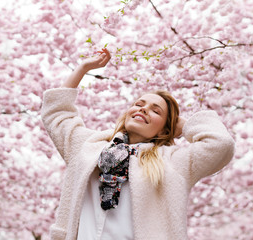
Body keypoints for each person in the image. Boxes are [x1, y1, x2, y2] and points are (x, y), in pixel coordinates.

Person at [41, 48, 235, 240]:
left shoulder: (173, 162)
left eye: (155, 111)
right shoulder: (90, 146)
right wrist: (82, 68)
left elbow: (221, 144)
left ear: (165, 129)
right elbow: (57, 114)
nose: (142, 110)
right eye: (139, 104)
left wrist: (183, 125)